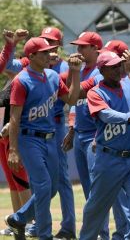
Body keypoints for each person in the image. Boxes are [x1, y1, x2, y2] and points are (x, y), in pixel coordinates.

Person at [5, 37, 81, 240]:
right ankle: (44, 235)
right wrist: (13, 149)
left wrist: (75, 72)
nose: (49, 55)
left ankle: (19, 218)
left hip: (50, 139)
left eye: (50, 51)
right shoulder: (21, 80)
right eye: (44, 52)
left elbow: (72, 99)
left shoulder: (53, 77)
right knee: (44, 186)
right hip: (29, 139)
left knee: (53, 187)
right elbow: (14, 117)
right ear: (31, 56)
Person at [80, 51, 130, 240]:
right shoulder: (95, 92)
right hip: (109, 159)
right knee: (96, 208)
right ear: (102, 70)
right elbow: (106, 115)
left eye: (119, 65)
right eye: (112, 66)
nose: (117, 69)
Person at [37, 27, 76, 239]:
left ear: (59, 45)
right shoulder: (36, 64)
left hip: (56, 125)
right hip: (36, 130)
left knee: (61, 179)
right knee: (40, 179)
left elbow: (71, 97)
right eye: (44, 40)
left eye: (52, 41)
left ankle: (68, 226)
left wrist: (72, 126)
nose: (48, 44)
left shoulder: (63, 67)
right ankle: (37, 223)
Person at [0, 29, 31, 237]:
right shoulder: (10, 82)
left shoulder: (25, 82)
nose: (15, 64)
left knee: (21, 180)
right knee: (12, 182)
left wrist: (10, 129)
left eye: (20, 62)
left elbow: (21, 112)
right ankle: (15, 221)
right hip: (2, 138)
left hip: (13, 136)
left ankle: (28, 222)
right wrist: (11, 44)